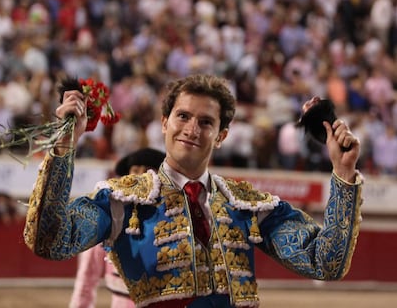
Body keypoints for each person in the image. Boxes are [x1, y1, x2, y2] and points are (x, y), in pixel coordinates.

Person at [24, 74, 363, 308]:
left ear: (222, 136)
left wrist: (343, 175)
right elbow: (50, 239)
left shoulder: (247, 206)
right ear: (163, 122)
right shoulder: (122, 201)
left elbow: (326, 262)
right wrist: (63, 149)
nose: (191, 129)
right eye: (182, 116)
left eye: (206, 122)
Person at [69, 148, 166, 308]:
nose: (141, 175)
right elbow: (87, 277)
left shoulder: (172, 212)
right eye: (135, 170)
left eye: (149, 170)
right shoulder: (111, 213)